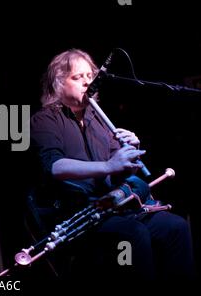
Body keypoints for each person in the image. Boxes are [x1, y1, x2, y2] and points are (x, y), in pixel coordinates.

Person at [30, 48, 195, 278]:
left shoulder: (96, 119)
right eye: (77, 77)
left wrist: (131, 153)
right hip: (75, 215)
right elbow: (54, 167)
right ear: (59, 84)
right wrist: (109, 166)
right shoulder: (45, 120)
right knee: (133, 233)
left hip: (112, 206)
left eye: (90, 77)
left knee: (176, 228)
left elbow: (122, 173)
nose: (87, 83)